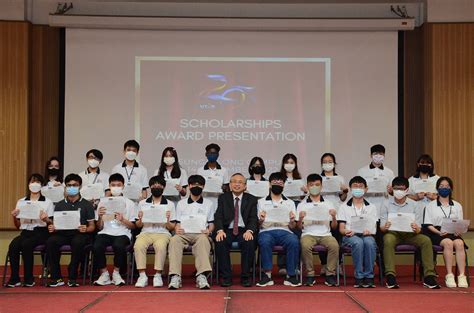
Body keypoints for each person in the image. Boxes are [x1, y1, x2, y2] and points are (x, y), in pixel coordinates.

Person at [380, 176, 440, 289]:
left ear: (407, 190)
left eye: (402, 189)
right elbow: (382, 228)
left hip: (411, 234)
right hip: (393, 234)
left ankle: (429, 276)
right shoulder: (386, 203)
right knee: (387, 239)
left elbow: (419, 229)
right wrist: (386, 226)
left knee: (426, 240)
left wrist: (416, 228)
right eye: (396, 188)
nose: (399, 191)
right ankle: (390, 275)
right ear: (392, 189)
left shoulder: (414, 204)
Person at [46, 174, 96, 287]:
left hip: (79, 234)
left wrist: (86, 228)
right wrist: (52, 227)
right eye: (69, 185)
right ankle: (56, 277)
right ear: (65, 187)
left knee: (78, 242)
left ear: (80, 186)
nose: (71, 187)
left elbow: (92, 226)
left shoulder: (87, 205)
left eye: (74, 185)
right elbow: (55, 224)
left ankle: (72, 276)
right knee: (51, 241)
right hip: (62, 233)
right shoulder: (59, 204)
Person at [168, 175, 215, 290]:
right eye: (193, 184)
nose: (196, 186)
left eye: (199, 185)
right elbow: (177, 222)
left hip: (201, 234)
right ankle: (175, 276)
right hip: (184, 234)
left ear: (203, 187)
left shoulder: (209, 203)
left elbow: (211, 223)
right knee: (174, 240)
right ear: (189, 186)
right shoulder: (181, 203)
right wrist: (177, 229)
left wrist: (209, 230)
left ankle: (201, 276)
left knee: (204, 240)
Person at [7, 174, 54, 288]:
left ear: (42, 185)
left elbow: (51, 224)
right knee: (13, 245)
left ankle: (29, 278)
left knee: (26, 245)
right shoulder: (21, 201)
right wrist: (14, 216)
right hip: (25, 231)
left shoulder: (47, 202)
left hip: (41, 232)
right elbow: (18, 226)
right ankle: (15, 278)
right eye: (32, 182)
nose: (34, 184)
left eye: (37, 182)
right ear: (28, 185)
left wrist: (46, 219)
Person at [256, 172, 301, 287]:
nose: (278, 184)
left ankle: (290, 275)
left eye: (280, 183)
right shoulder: (261, 202)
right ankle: (267, 275)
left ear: (284, 186)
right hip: (266, 230)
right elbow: (258, 224)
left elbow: (293, 227)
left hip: (285, 231)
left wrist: (292, 221)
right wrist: (261, 220)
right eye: (275, 182)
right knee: (264, 241)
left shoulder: (290, 203)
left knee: (294, 241)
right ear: (269, 185)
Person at [214, 173, 258, 287]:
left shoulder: (252, 199)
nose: (237, 184)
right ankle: (226, 277)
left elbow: (253, 218)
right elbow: (218, 216)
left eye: (240, 182)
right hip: (227, 230)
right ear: (229, 184)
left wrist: (250, 231)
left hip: (244, 230)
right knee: (220, 241)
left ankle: (245, 277)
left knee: (249, 241)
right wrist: (219, 230)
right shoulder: (223, 198)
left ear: (245, 186)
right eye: (234, 181)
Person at [423, 176, 468, 288]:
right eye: (441, 186)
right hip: (437, 232)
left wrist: (459, 231)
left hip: (453, 231)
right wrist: (439, 233)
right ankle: (449, 275)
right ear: (437, 189)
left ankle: (462, 276)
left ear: (451, 188)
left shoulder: (457, 205)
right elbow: (428, 224)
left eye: (447, 186)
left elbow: (460, 223)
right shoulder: (431, 205)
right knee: (448, 242)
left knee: (459, 243)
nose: (444, 188)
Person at [93, 173, 137, 286]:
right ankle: (104, 274)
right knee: (97, 245)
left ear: (123, 186)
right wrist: (99, 217)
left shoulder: (129, 203)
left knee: (119, 245)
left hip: (122, 233)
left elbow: (133, 226)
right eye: (113, 185)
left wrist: (123, 219)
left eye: (118, 185)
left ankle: (117, 273)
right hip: (105, 232)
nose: (116, 187)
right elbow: (99, 227)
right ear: (109, 186)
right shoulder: (102, 202)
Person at [134, 176, 176, 288]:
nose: (156, 187)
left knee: (161, 246)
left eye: (159, 185)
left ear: (163, 187)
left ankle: (158, 275)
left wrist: (167, 220)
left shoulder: (170, 204)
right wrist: (140, 219)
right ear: (150, 187)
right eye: (154, 185)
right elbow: (138, 225)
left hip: (162, 232)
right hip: (145, 232)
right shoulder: (143, 203)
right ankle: (142, 275)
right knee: (138, 245)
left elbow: (172, 227)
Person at [297, 174, 339, 287]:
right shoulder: (302, 205)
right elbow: (298, 227)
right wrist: (300, 218)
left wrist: (334, 217)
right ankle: (310, 274)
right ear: (307, 186)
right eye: (311, 185)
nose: (314, 187)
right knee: (305, 245)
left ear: (321, 186)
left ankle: (330, 274)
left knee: (334, 245)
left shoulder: (329, 204)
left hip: (326, 234)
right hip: (308, 234)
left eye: (317, 185)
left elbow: (334, 227)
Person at [337, 176, 378, 288]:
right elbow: (341, 229)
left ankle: (369, 276)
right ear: (350, 188)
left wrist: (369, 231)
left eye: (361, 186)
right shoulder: (344, 207)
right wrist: (347, 231)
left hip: (366, 234)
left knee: (369, 242)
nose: (358, 188)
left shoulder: (372, 207)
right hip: (350, 236)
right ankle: (359, 276)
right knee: (358, 243)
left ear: (366, 189)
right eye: (355, 186)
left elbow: (374, 228)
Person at [356, 144, 394, 219]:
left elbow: (393, 192)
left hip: (383, 206)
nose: (378, 156)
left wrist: (391, 191)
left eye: (381, 154)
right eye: (375, 154)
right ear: (371, 155)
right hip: (367, 206)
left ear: (384, 155)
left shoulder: (389, 172)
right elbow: (357, 190)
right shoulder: (361, 171)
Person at [197, 143, 229, 208]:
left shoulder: (224, 170)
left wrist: (224, 188)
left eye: (214, 153)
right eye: (210, 153)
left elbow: (227, 188)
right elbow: (198, 186)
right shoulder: (200, 170)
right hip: (204, 202)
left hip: (219, 202)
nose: (212, 155)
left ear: (218, 155)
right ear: (206, 154)